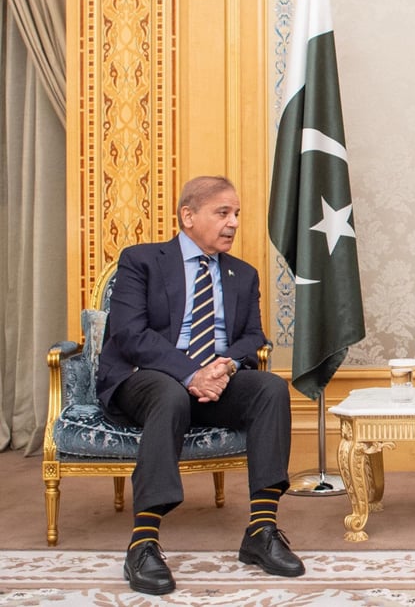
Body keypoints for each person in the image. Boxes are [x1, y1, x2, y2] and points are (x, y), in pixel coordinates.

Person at [97, 176, 304, 595]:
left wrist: (222, 368)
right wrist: (191, 373)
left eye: (237, 214)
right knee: (169, 391)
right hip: (145, 380)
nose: (232, 223)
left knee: (270, 388)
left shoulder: (242, 274)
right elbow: (129, 334)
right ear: (188, 216)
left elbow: (253, 337)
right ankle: (143, 543)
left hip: (215, 382)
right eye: (222, 212)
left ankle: (261, 532)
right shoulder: (142, 260)